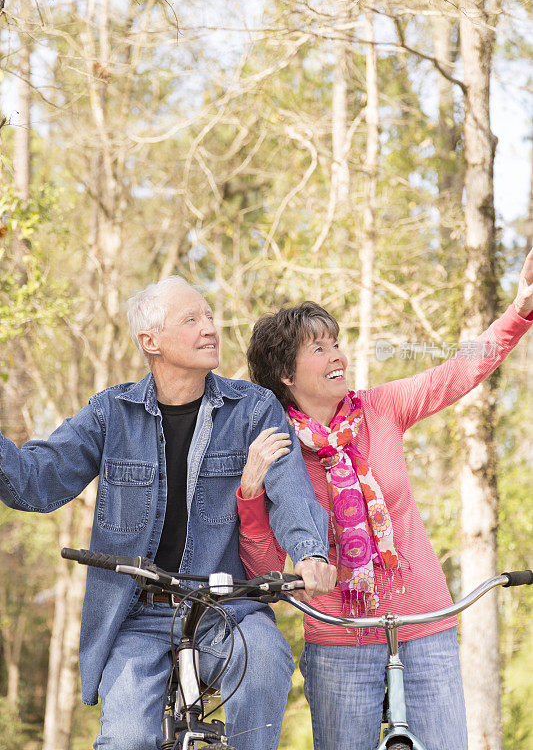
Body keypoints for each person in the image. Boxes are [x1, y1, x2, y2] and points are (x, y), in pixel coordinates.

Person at [0, 275, 337, 750]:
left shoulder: (253, 408)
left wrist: (309, 554)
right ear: (150, 341)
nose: (210, 328)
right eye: (192, 319)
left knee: (265, 662)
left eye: (210, 316)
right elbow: (36, 483)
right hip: (138, 612)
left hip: (229, 606)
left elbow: (290, 491)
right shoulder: (109, 414)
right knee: (127, 739)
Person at [237, 250, 533, 750]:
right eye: (318, 349)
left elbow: (458, 371)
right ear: (285, 375)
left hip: (425, 626)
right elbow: (262, 564)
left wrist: (519, 311)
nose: (337, 357)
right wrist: (250, 493)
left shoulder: (380, 408)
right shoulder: (277, 449)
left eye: (336, 344)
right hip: (338, 639)